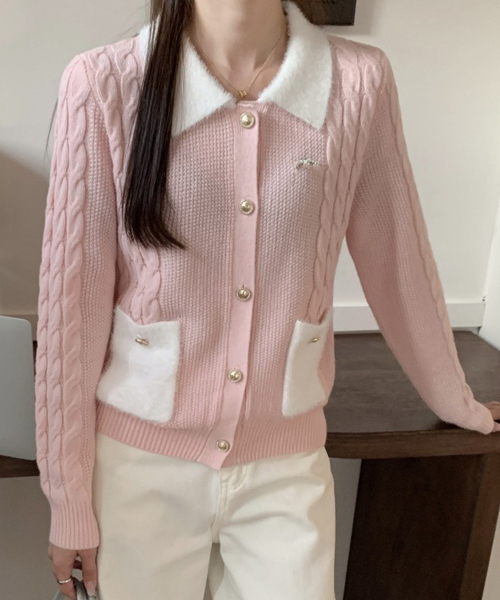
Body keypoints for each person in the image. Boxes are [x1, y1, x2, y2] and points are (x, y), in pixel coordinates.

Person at [35, 1, 500, 599]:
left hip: (286, 466)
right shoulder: (104, 82)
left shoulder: (358, 82)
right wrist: (69, 499)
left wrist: (456, 400)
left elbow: (398, 257)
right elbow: (71, 310)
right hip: (137, 467)